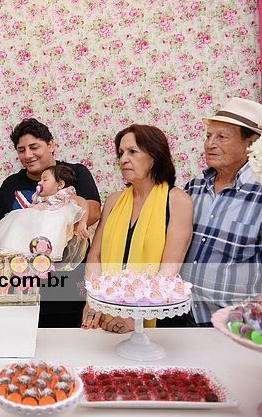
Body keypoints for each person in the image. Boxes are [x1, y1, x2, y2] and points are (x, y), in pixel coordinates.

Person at [0, 118, 101, 328]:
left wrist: (58, 216)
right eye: (21, 150)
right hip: (22, 290)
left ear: (50, 145)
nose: (28, 155)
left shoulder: (74, 173)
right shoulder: (11, 184)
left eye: (34, 147)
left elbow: (93, 212)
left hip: (68, 287)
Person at [83, 124, 193, 333]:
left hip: (155, 321)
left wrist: (135, 315)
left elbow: (169, 270)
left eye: (133, 152)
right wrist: (95, 300)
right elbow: (95, 256)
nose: (123, 159)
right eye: (121, 153)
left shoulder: (178, 201)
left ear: (155, 157)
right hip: (107, 315)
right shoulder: (114, 201)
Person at [183, 97, 262, 326]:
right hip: (183, 317)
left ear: (251, 143)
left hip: (234, 325)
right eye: (208, 136)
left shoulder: (259, 193)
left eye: (222, 137)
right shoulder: (194, 187)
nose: (210, 144)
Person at [0, 165, 90, 258]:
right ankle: (13, 248)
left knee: (48, 225)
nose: (39, 183)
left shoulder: (64, 194)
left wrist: (83, 223)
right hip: (37, 223)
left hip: (54, 221)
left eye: (44, 180)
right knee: (17, 218)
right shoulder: (39, 199)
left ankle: (46, 252)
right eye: (40, 180)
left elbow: (83, 203)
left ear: (60, 184)